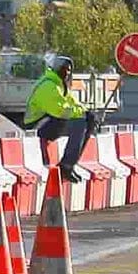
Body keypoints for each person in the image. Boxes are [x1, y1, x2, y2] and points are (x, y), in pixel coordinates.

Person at [25, 52, 92, 182]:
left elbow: (73, 103)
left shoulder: (60, 85)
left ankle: (70, 165)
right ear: (56, 68)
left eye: (69, 70)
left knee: (88, 122)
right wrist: (82, 114)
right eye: (64, 69)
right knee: (79, 123)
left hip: (51, 121)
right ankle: (66, 165)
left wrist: (87, 112)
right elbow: (60, 111)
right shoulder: (49, 85)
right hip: (36, 125)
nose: (67, 72)